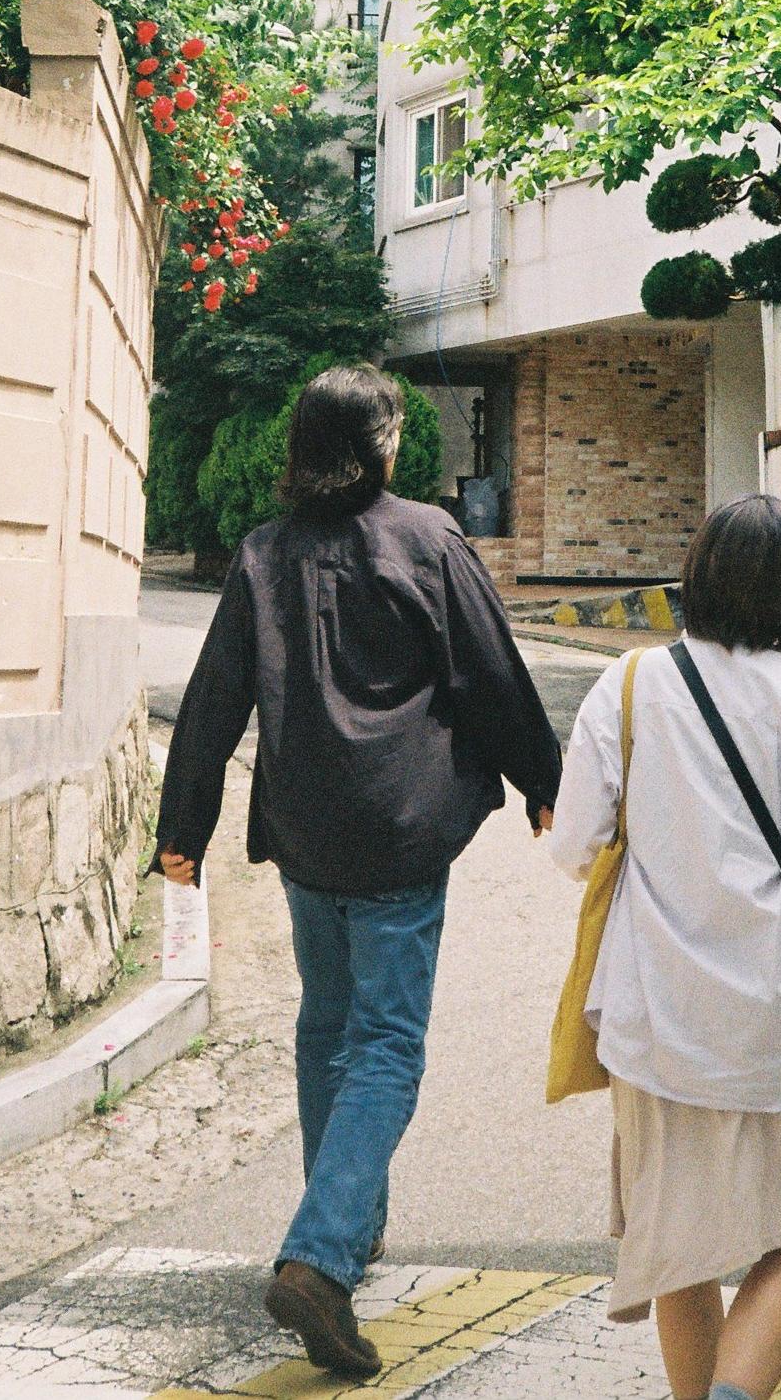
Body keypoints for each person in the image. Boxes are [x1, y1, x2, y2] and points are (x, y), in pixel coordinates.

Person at [151, 364, 562, 1381]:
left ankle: (340, 1226)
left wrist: (183, 826)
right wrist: (544, 780)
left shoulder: (261, 554)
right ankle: (321, 1254)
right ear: (380, 446)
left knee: (327, 1026)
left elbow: (212, 699)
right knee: (383, 1044)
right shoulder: (428, 538)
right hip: (398, 833)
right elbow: (491, 672)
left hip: (304, 833)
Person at [550, 493, 781, 1400]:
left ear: (694, 573)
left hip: (657, 1018)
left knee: (679, 1248)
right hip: (774, 1016)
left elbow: (573, 844)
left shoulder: (630, 686)